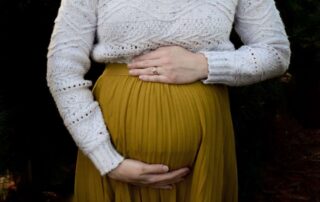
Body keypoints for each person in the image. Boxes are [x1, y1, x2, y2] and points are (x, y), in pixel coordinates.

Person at [46, 0, 290, 201]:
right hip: (112, 160)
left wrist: (205, 64)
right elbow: (62, 69)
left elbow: (275, 51)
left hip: (203, 159)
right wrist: (106, 159)